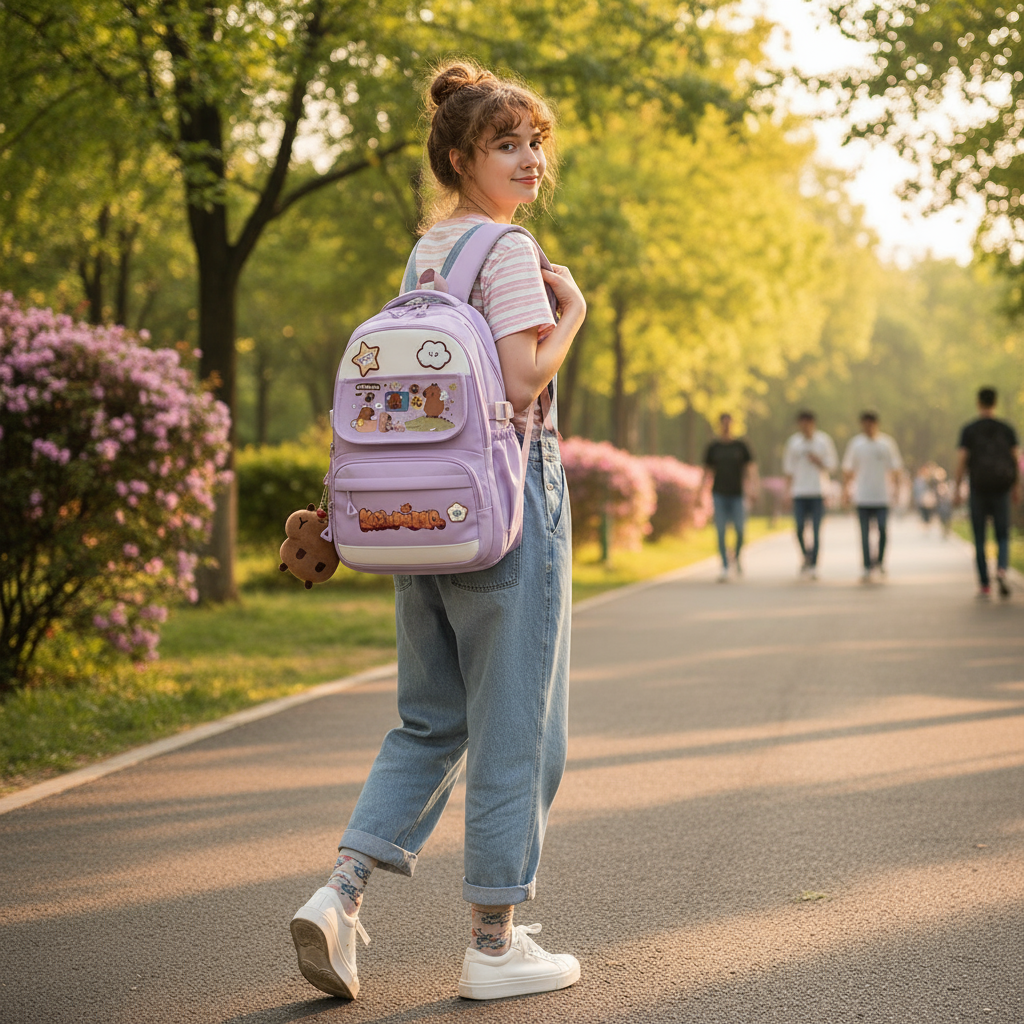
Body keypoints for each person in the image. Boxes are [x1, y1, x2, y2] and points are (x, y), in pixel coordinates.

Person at [290, 61, 587, 1002]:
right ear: (461, 156)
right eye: (508, 145)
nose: (530, 159)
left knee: (428, 721)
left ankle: (339, 895)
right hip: (504, 505)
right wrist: (571, 309)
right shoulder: (508, 254)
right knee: (519, 726)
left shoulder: (427, 255)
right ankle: (495, 945)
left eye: (535, 141)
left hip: (413, 513)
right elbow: (518, 383)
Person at [954, 387, 1020, 599]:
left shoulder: (970, 429)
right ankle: (1001, 569)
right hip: (1001, 489)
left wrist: (957, 489)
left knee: (979, 537)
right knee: (1002, 534)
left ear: (978, 402)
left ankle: (984, 584)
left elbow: (962, 460)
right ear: (995, 402)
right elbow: (1016, 459)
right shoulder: (1006, 429)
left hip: (978, 488)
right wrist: (1016, 486)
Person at [842, 411, 903, 583]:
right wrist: (846, 491)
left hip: (882, 496)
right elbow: (848, 469)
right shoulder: (856, 444)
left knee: (882, 529)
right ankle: (867, 566)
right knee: (864, 533)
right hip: (862, 496)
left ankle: (880, 561)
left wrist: (897, 490)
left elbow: (896, 468)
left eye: (871, 423)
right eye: (865, 424)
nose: (868, 427)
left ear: (876, 424)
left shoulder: (886, 444)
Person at [702, 413, 759, 582]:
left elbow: (750, 469)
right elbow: (706, 471)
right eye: (723, 423)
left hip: (737, 495)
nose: (726, 426)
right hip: (719, 494)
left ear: (732, 424)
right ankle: (725, 566)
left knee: (740, 530)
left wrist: (753, 488)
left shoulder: (741, 446)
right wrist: (700, 493)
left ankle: (737, 555)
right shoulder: (713, 447)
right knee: (720, 531)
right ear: (719, 425)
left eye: (728, 423)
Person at [782, 410, 838, 579]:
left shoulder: (823, 441)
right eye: (801, 423)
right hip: (799, 492)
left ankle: (813, 564)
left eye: (807, 422)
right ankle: (806, 555)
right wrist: (787, 492)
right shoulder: (794, 443)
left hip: (818, 492)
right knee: (799, 528)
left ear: (813, 423)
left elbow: (833, 465)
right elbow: (788, 469)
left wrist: (818, 461)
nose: (804, 426)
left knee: (815, 529)